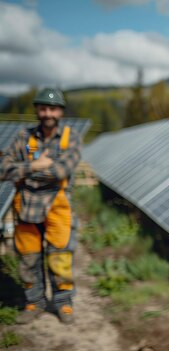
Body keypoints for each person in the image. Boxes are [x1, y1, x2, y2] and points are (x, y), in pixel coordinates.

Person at [0, 87, 82, 324]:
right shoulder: (24, 138)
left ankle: (63, 303)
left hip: (58, 207)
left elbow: (60, 170)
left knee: (60, 258)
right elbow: (3, 169)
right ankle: (34, 302)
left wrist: (22, 171)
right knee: (28, 259)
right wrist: (35, 166)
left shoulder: (70, 138)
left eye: (53, 108)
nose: (48, 113)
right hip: (26, 207)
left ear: (61, 112)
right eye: (43, 108)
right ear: (37, 109)